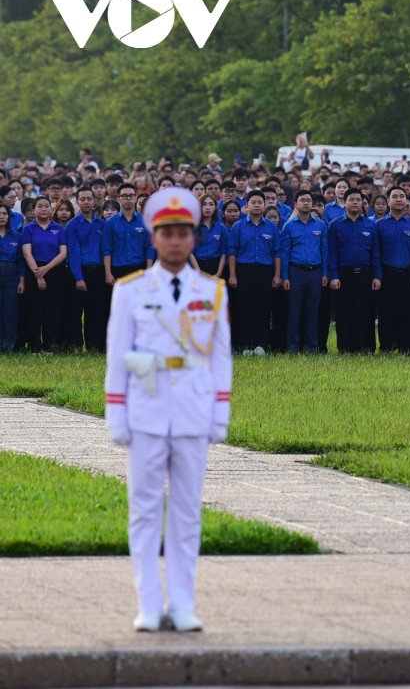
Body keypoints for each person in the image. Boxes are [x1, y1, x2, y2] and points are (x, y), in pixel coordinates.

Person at [104, 186, 232, 633]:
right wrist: (115, 414)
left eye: (183, 233)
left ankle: (182, 603)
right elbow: (118, 354)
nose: (176, 241)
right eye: (167, 233)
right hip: (146, 410)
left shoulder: (212, 291)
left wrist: (220, 413)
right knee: (143, 510)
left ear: (194, 238)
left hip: (194, 411)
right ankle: (148, 603)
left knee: (186, 511)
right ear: (153, 238)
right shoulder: (130, 291)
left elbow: (220, 357)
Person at [327, 187, 381, 354]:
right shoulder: (335, 225)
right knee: (344, 312)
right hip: (344, 274)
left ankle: (365, 347)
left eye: (359, 200)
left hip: (365, 274)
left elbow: (375, 253)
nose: (355, 203)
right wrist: (334, 276)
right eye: (352, 200)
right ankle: (345, 347)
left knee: (365, 312)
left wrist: (377, 276)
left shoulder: (371, 225)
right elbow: (332, 253)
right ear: (345, 202)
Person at [227, 189, 281, 355]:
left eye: (260, 202)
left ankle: (260, 345)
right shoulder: (238, 227)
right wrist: (233, 275)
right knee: (244, 308)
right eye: (253, 202)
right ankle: (246, 345)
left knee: (263, 308)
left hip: (265, 271)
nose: (257, 205)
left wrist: (277, 275)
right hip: (244, 271)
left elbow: (277, 253)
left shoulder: (271, 227)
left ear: (265, 205)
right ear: (246, 206)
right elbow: (232, 252)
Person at [376, 187, 410, 354]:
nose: (398, 199)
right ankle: (387, 347)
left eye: (402, 197)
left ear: (407, 201)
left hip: (409, 274)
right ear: (388, 202)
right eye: (394, 197)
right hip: (387, 274)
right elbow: (375, 253)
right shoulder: (379, 225)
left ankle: (408, 346)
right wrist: (377, 276)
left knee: (409, 313)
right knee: (386, 313)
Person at [279, 190, 328, 354]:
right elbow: (284, 253)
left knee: (312, 311)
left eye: (308, 200)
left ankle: (311, 347)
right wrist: (285, 276)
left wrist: (325, 273)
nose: (306, 203)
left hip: (315, 272)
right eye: (302, 200)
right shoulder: (289, 225)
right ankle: (293, 346)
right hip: (296, 271)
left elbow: (324, 250)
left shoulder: (320, 225)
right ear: (296, 204)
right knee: (294, 311)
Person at [20, 196, 68, 353]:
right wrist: (38, 275)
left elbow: (63, 253)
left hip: (54, 270)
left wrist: (46, 269)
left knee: (52, 310)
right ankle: (34, 346)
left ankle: (49, 346)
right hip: (34, 269)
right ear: (34, 210)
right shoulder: (28, 229)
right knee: (34, 310)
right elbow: (27, 253)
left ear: (51, 209)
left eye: (46, 206)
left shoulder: (58, 229)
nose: (43, 209)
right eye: (39, 206)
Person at [66, 184, 108, 352]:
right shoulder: (72, 224)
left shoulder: (101, 224)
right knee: (76, 312)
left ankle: (95, 346)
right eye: (82, 199)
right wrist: (78, 278)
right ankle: (75, 346)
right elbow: (73, 252)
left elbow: (105, 249)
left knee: (96, 311)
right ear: (77, 202)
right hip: (79, 271)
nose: (86, 202)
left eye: (89, 199)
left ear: (94, 201)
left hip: (98, 272)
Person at [103, 184, 153, 284]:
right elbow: (106, 249)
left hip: (139, 268)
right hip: (118, 269)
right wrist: (108, 273)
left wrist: (149, 271)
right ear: (118, 199)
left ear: (135, 198)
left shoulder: (145, 221)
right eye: (124, 196)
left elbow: (149, 247)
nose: (128, 199)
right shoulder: (110, 223)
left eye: (131, 196)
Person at [0, 206, 23, 352]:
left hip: (12, 274)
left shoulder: (16, 236)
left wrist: (22, 280)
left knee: (10, 311)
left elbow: (21, 261)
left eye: (4, 213)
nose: (1, 216)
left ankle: (8, 345)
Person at [193, 195, 227, 278]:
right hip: (197, 265)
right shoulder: (193, 227)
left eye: (211, 204)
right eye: (204, 204)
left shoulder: (221, 227)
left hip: (216, 265)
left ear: (215, 207)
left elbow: (224, 252)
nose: (207, 208)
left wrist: (219, 273)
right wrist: (198, 271)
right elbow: (190, 252)